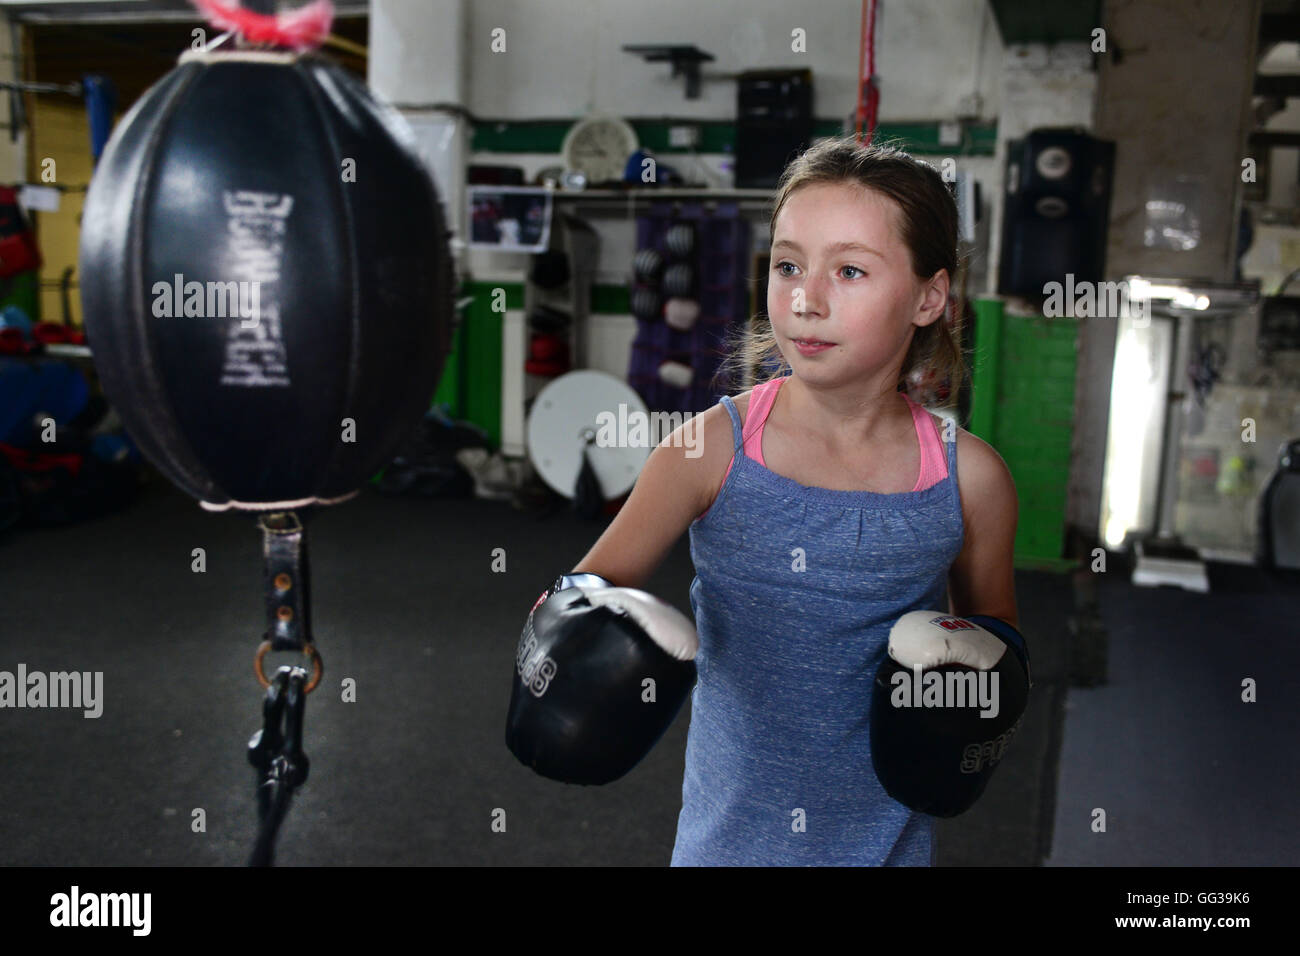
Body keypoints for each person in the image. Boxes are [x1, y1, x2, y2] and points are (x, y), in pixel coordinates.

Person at [525, 135, 1020, 865]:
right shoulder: (705, 451)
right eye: (788, 265)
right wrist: (573, 654)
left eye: (849, 270)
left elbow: (1000, 651)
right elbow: (578, 598)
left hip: (888, 850)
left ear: (929, 297)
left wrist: (971, 700)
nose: (805, 298)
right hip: (726, 848)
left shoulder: (968, 479)